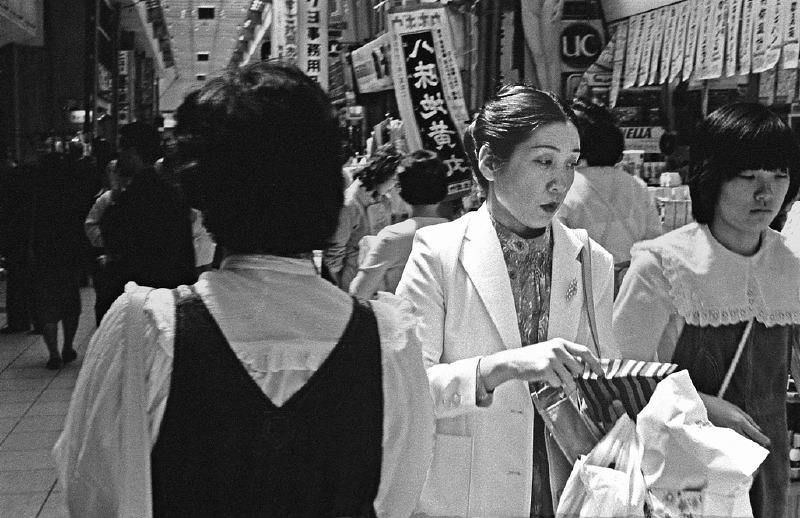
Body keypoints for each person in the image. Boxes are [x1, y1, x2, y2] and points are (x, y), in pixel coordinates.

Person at [54, 61, 433, 517]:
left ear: (203, 190)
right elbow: (396, 498)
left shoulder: (147, 331)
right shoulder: (388, 343)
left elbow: (94, 493)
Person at [396, 84, 617, 517]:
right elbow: (404, 390)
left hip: (570, 491)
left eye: (571, 164)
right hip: (467, 494)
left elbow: (605, 378)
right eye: (543, 161)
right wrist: (500, 367)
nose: (561, 181)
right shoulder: (438, 252)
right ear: (490, 163)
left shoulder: (591, 260)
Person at [613, 102, 800, 518]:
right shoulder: (662, 264)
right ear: (712, 178)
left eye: (779, 176)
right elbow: (619, 373)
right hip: (682, 458)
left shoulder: (792, 264)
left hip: (767, 456)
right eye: (747, 177)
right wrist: (705, 405)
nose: (765, 193)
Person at [556, 99, 662, 294]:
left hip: (585, 292)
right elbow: (655, 244)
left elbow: (557, 253)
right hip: (631, 290)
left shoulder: (564, 187)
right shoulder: (637, 186)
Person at [94, 122, 197, 322]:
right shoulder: (170, 192)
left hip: (137, 296)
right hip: (171, 292)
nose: (118, 158)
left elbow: (112, 237)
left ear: (133, 153)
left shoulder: (133, 196)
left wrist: (115, 192)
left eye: (121, 150)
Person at [349, 149, 449, 299]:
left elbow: (358, 293)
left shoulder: (393, 237)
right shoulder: (461, 232)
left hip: (403, 320)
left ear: (402, 189)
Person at [29, 145, 96, 368]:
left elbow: (32, 227)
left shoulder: (38, 195)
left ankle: (53, 353)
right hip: (69, 255)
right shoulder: (73, 192)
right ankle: (68, 346)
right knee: (69, 303)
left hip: (45, 256)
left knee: (48, 304)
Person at [323, 146, 400, 290]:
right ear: (383, 172)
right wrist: (339, 286)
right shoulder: (350, 203)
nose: (395, 184)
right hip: (352, 277)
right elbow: (334, 253)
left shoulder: (385, 199)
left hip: (376, 275)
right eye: (394, 178)